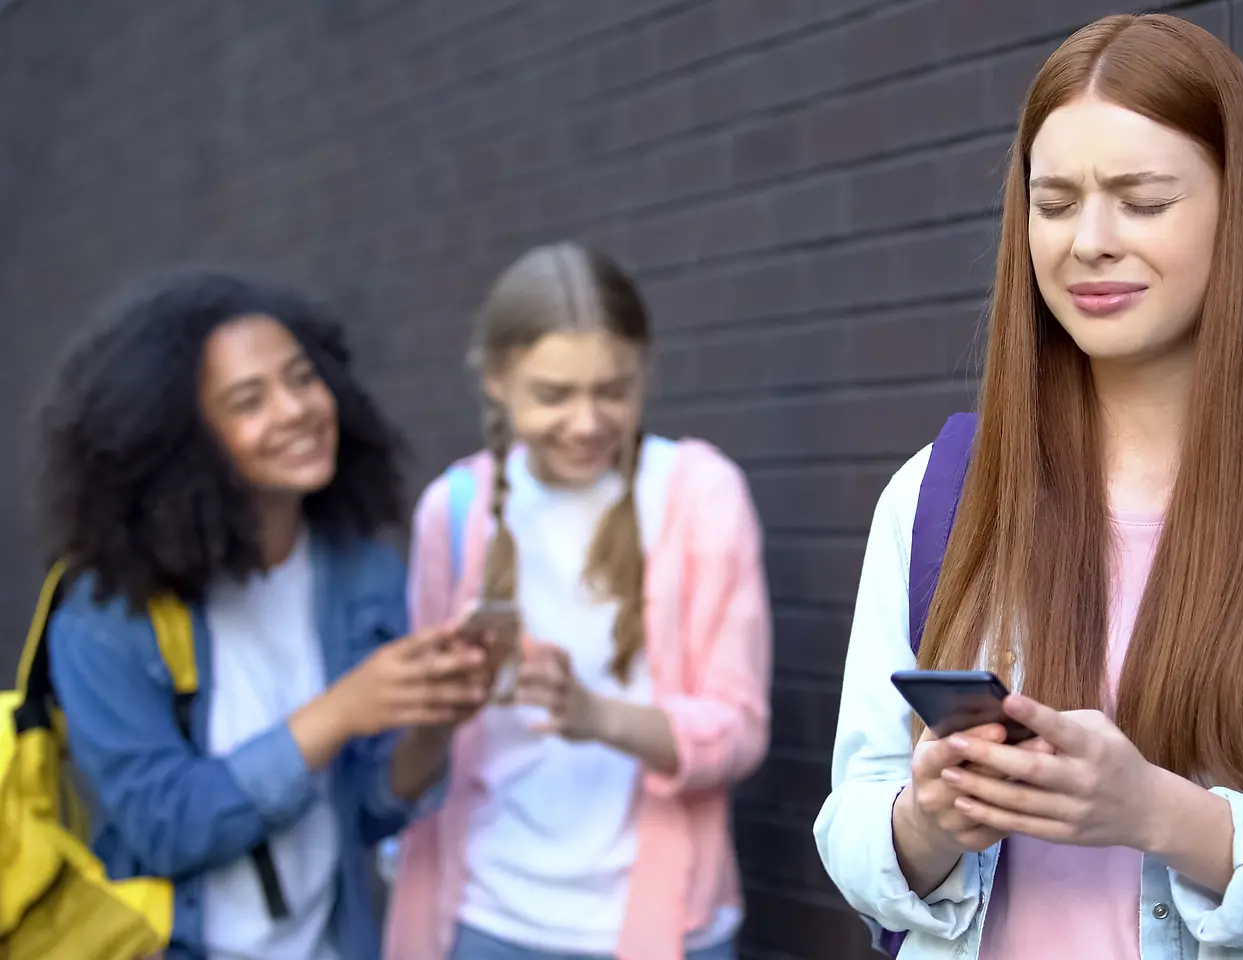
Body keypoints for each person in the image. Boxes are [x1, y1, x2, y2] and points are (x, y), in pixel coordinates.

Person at [815, 13, 1243, 960]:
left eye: (1142, 200)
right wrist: (930, 821)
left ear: (1240, 209)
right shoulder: (939, 492)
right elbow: (850, 824)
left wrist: (1161, 814)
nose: (1089, 243)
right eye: (1055, 202)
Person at [40, 270, 490, 960]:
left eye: (303, 379)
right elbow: (165, 827)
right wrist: (338, 713)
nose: (296, 410)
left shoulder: (359, 572)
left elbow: (368, 808)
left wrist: (435, 723)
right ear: (182, 441)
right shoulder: (109, 615)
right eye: (249, 401)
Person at [382, 242, 772, 960]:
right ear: (496, 381)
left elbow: (739, 732)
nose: (588, 422)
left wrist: (594, 716)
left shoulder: (699, 493)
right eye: (554, 395)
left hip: (663, 924)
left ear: (644, 369)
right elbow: (408, 763)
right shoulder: (455, 511)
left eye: (613, 390)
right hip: (486, 919)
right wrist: (443, 705)